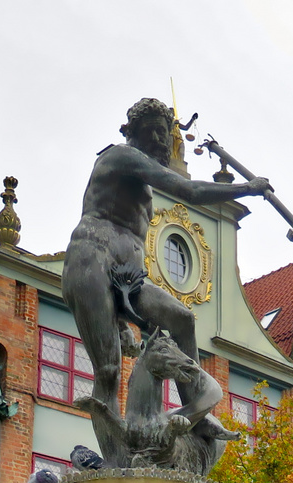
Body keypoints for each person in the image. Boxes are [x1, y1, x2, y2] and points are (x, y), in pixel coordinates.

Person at [63, 97, 269, 452]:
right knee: (109, 370)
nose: (161, 140)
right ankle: (116, 460)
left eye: (165, 133)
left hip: (127, 275)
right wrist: (246, 188)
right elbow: (189, 190)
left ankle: (197, 414)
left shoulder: (140, 179)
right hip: (91, 260)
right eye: (152, 132)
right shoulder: (120, 157)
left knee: (182, 319)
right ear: (131, 134)